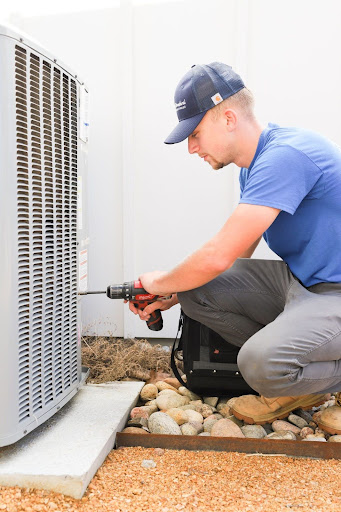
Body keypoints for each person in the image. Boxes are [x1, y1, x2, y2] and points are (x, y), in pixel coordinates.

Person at [128, 62, 341, 434]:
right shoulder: (253, 165)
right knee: (197, 294)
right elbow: (235, 256)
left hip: (334, 294)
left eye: (195, 133)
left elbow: (218, 255)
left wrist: (159, 282)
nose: (191, 148)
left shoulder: (286, 155)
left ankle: (289, 377)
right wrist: (176, 294)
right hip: (303, 284)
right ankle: (295, 380)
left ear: (228, 118)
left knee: (259, 364)